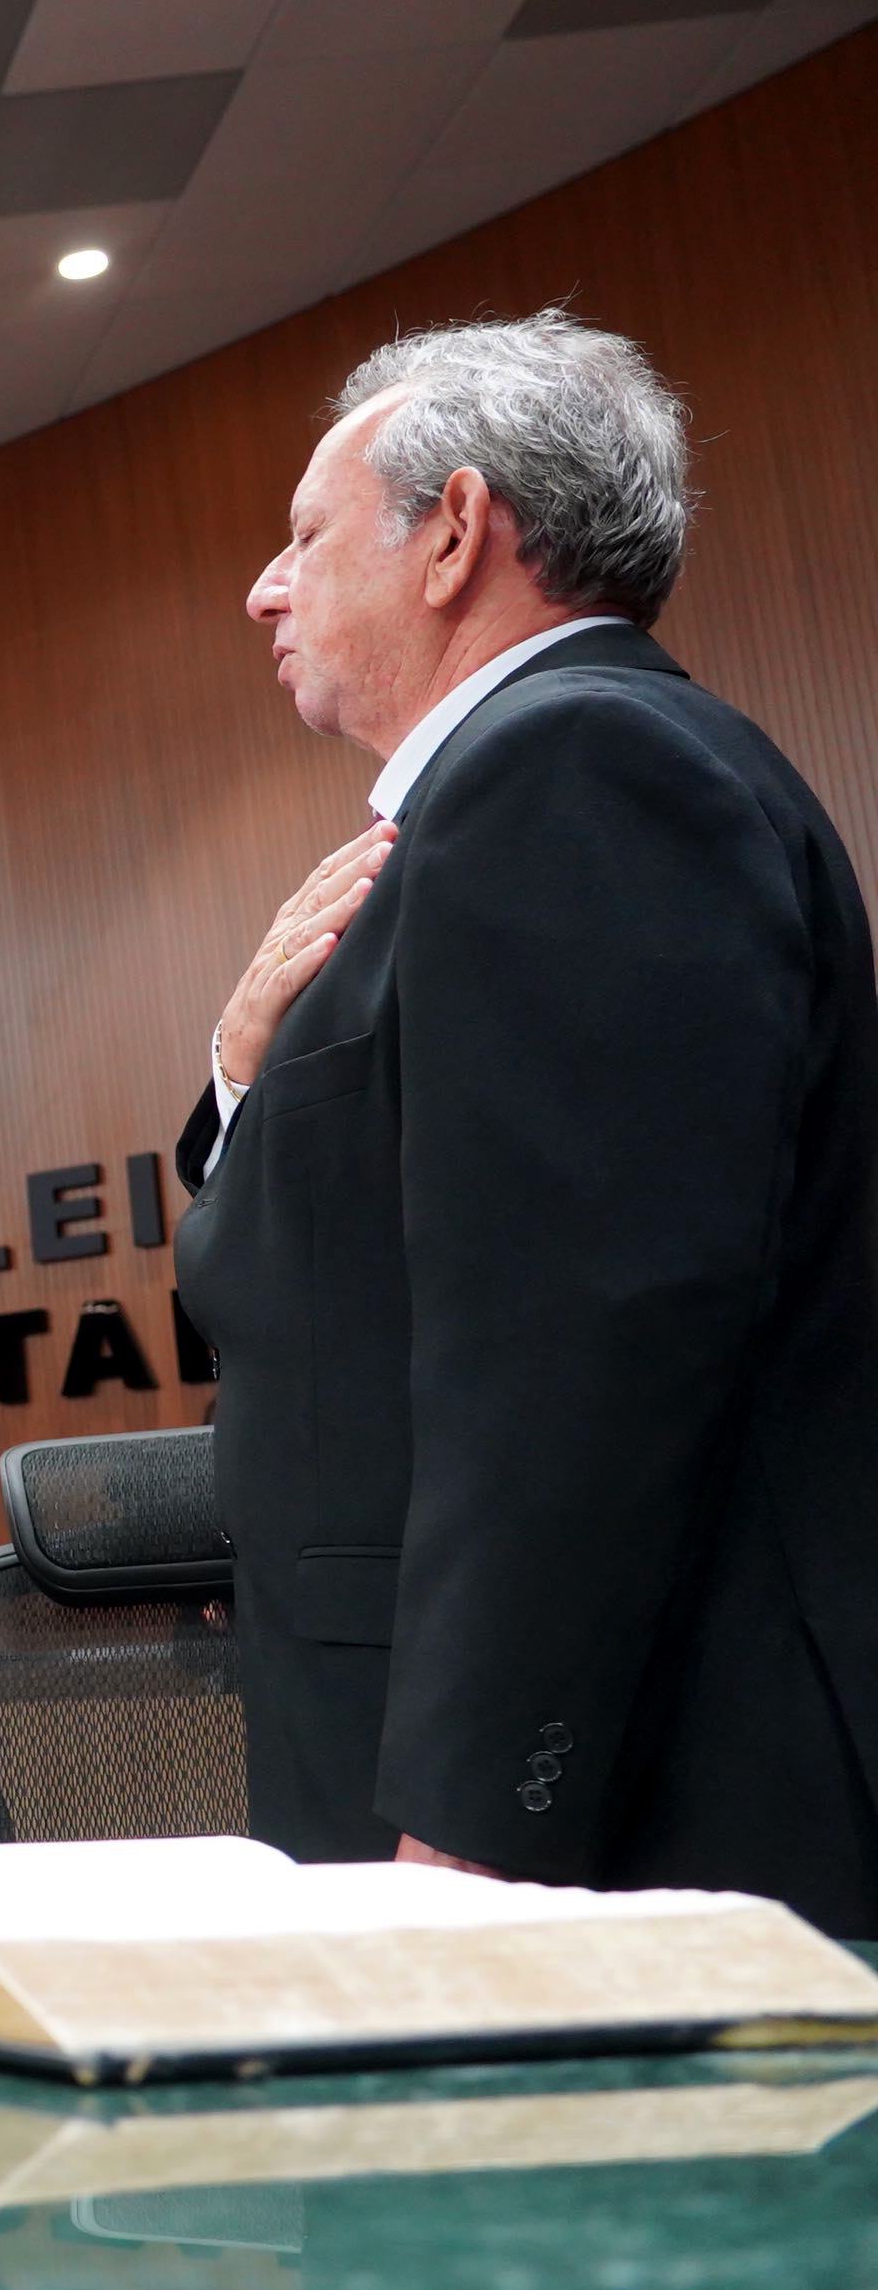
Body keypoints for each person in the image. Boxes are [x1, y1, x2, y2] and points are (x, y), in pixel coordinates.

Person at [176, 311, 878, 1929]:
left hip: (594, 1827)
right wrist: (237, 1069)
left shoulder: (577, 764)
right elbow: (327, 1270)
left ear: (454, 535)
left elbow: (583, 1343)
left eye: (304, 536)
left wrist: (478, 1820)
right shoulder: (502, 796)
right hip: (459, 1782)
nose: (265, 589)